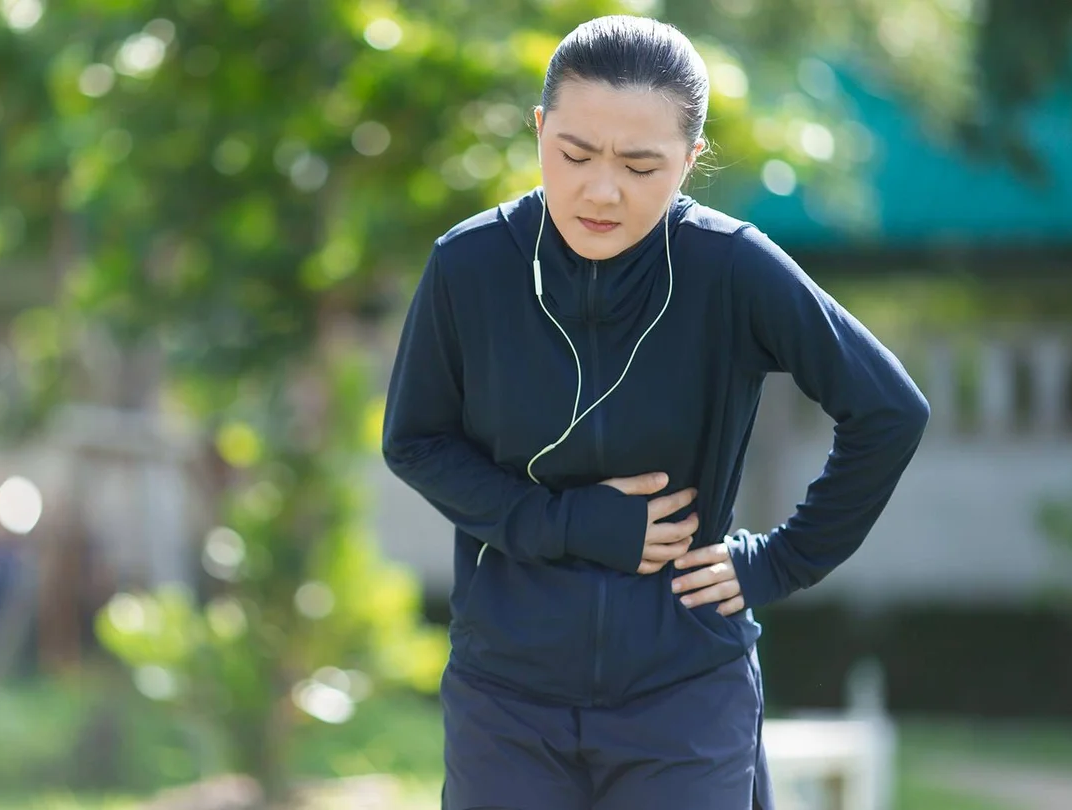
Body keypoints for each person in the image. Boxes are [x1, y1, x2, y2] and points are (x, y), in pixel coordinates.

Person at [381, 15, 930, 810]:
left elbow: (888, 410)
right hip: (506, 697)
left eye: (641, 166)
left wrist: (780, 562)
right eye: (574, 154)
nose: (601, 191)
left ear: (690, 160)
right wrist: (566, 523)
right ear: (539, 130)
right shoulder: (470, 264)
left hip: (685, 693)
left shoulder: (731, 267)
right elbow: (416, 441)